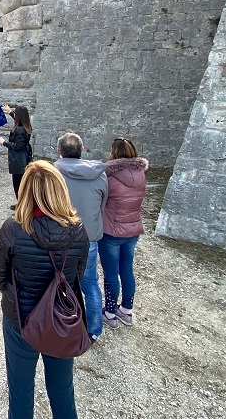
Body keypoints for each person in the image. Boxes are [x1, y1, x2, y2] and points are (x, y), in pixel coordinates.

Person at [0, 161, 89, 419]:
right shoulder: (78, 231)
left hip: (21, 317)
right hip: (61, 318)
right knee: (62, 389)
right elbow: (77, 274)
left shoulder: (13, 228)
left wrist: (14, 294)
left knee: (21, 391)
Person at [53, 130, 107, 342]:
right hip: (88, 237)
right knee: (90, 284)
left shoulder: (53, 174)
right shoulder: (100, 174)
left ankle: (61, 325)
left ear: (59, 151)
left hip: (59, 236)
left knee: (56, 283)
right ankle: (93, 330)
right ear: (82, 150)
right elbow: (102, 205)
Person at [99, 137, 149, 329]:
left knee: (111, 273)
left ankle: (110, 312)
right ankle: (126, 309)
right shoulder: (141, 175)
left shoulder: (109, 177)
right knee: (127, 270)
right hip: (133, 229)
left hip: (112, 231)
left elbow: (102, 200)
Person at [0, 106, 33, 200]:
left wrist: (3, 142)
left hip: (18, 160)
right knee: (21, 184)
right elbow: (19, 120)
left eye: (16, 113)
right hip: (24, 157)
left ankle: (21, 206)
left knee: (18, 185)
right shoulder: (27, 126)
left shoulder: (20, 130)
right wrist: (10, 112)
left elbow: (17, 146)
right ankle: (21, 204)